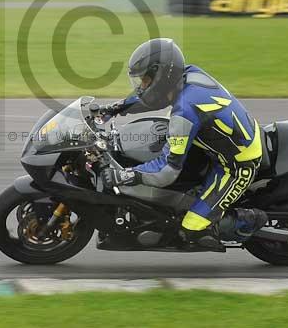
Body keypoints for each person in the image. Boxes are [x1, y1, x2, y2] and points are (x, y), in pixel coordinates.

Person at [100, 38, 268, 248]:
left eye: (145, 81)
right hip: (218, 141)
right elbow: (151, 97)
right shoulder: (187, 74)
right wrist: (113, 109)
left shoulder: (185, 111)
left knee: (191, 229)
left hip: (236, 164)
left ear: (162, 78)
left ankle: (249, 220)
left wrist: (125, 175)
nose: (142, 87)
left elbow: (166, 172)